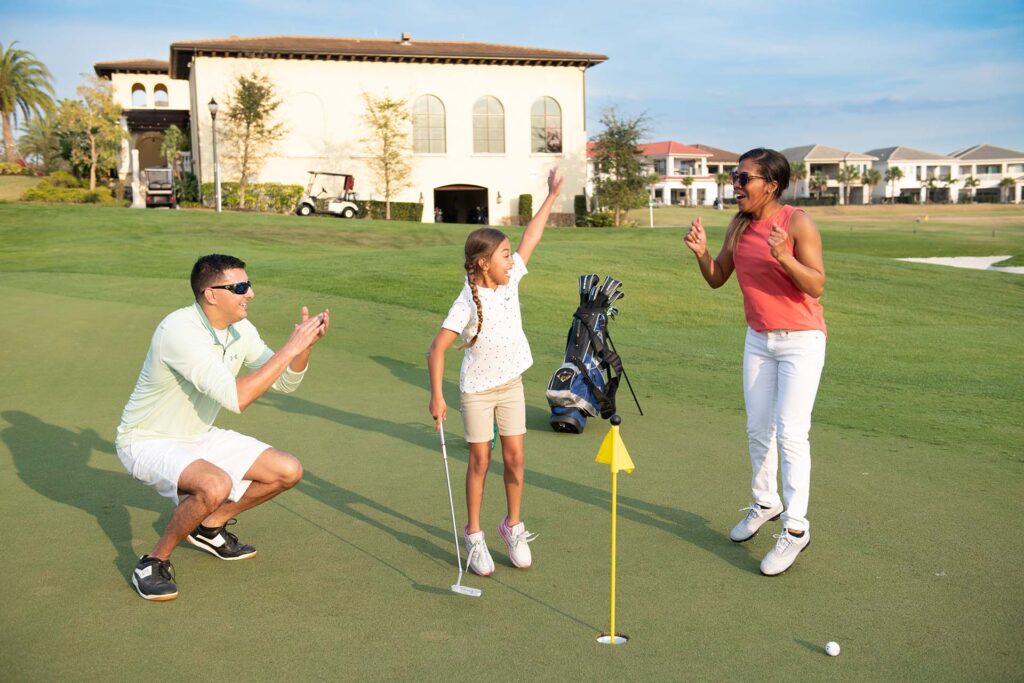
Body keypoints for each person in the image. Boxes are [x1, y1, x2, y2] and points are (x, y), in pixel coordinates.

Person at [115, 254, 330, 600]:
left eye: (249, 285)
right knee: (216, 484)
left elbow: (285, 382)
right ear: (211, 294)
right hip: (145, 440)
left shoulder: (241, 330)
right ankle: (153, 561)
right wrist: (289, 347)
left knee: (287, 470)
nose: (251, 293)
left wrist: (303, 348)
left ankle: (209, 525)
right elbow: (235, 398)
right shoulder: (179, 330)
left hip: (197, 435)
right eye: (240, 287)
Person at [682, 148, 827, 576]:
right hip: (759, 340)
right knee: (757, 428)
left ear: (772, 184)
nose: (736, 184)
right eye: (735, 176)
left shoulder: (797, 222)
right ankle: (766, 502)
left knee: (791, 433)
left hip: (801, 340)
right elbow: (717, 278)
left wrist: (785, 256)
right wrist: (701, 253)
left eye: (745, 178)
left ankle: (796, 529)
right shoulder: (740, 226)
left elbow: (816, 285)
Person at [427, 167, 564, 576]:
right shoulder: (466, 302)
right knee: (481, 461)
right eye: (504, 255)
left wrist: (553, 195)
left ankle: (513, 526)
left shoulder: (509, 283)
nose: (512, 259)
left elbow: (532, 236)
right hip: (477, 392)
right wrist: (436, 396)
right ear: (484, 263)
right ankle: (474, 535)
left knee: (516, 458)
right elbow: (436, 350)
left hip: (511, 385)